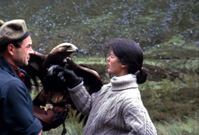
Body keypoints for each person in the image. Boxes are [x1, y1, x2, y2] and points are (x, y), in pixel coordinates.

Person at [51, 38, 157, 135]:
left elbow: (148, 133)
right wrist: (74, 83)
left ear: (123, 64)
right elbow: (89, 108)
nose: (108, 59)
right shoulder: (108, 88)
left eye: (111, 56)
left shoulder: (129, 99)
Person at [0, 19, 43, 135]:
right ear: (11, 49)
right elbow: (32, 133)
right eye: (28, 47)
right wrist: (37, 124)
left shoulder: (10, 75)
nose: (32, 51)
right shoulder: (11, 85)